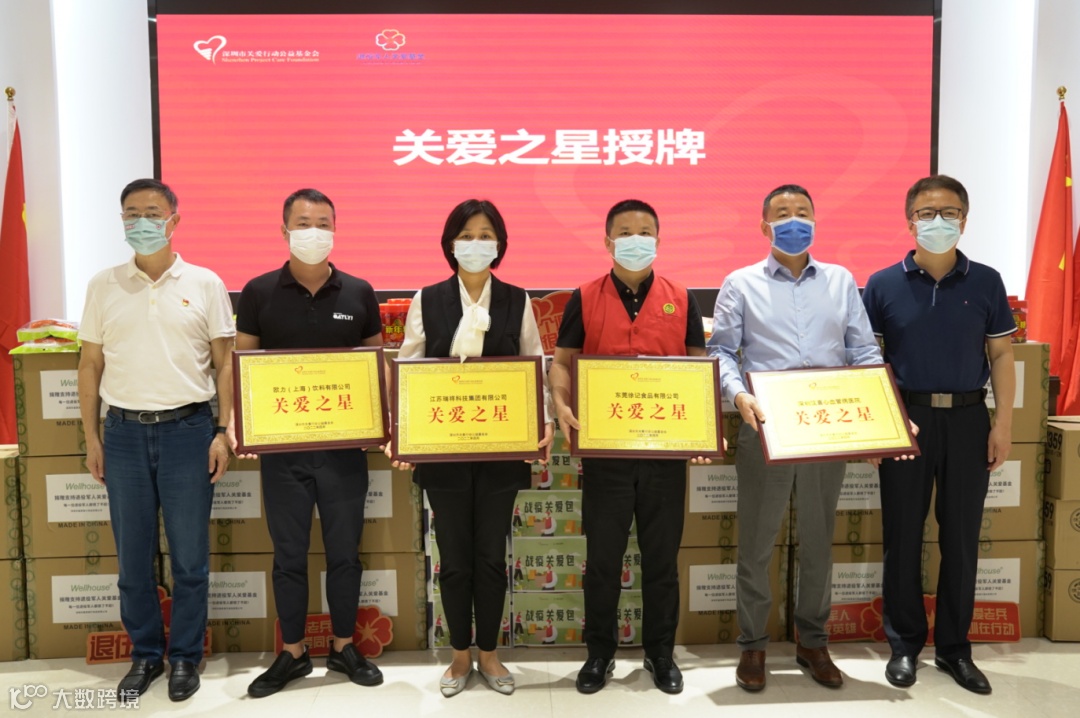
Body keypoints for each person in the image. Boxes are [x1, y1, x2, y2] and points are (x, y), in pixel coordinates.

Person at [709, 184, 882, 692]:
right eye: (782, 213)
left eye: (802, 212)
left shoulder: (840, 280)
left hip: (827, 428)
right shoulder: (741, 282)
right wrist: (739, 396)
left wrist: (881, 417)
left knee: (818, 540)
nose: (793, 220)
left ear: (815, 221)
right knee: (756, 543)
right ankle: (752, 645)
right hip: (766, 426)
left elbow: (863, 352)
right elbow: (722, 352)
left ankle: (813, 641)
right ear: (764, 226)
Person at [78, 178, 234, 703]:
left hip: (189, 431)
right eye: (131, 213)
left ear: (174, 220)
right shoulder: (103, 285)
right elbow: (90, 363)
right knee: (133, 560)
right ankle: (145, 654)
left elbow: (225, 364)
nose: (140, 222)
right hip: (122, 434)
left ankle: (185, 656)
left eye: (151, 212)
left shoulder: (206, 283)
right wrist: (91, 436)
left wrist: (223, 431)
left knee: (190, 559)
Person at [392, 198, 553, 697]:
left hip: (501, 452)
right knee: (455, 557)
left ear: (499, 244)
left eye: (486, 235)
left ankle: (490, 652)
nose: (476, 244)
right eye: (467, 235)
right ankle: (460, 654)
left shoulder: (517, 299)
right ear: (450, 243)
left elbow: (535, 365)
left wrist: (544, 423)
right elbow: (409, 369)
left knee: (490, 557)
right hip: (445, 453)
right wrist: (403, 432)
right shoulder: (427, 299)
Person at [862, 175, 1015, 694]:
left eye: (949, 212)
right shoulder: (882, 284)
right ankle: (904, 645)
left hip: (969, 421)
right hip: (906, 421)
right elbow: (869, 362)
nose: (937, 221)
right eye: (926, 213)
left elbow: (1001, 355)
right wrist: (877, 428)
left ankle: (954, 648)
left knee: (962, 539)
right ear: (909, 222)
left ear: (964, 221)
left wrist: (1003, 424)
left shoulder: (986, 281)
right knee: (902, 536)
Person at [550, 199, 709, 696]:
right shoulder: (584, 296)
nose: (635, 239)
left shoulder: (682, 297)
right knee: (603, 561)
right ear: (607, 241)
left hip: (664, 456)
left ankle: (661, 654)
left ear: (658, 241)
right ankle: (599, 654)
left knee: (661, 562)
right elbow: (562, 361)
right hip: (606, 456)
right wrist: (561, 404)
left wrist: (702, 425)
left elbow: (699, 367)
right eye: (624, 232)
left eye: (644, 232)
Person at [234, 188, 384, 697]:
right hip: (283, 453)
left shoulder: (360, 292)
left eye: (323, 223)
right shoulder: (258, 292)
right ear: (284, 231)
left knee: (344, 553)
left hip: (344, 452)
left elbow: (376, 369)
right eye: (303, 223)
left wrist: (386, 425)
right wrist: (239, 425)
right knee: (288, 555)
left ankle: (344, 646)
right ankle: (293, 652)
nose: (313, 232)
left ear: (335, 230)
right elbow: (243, 366)